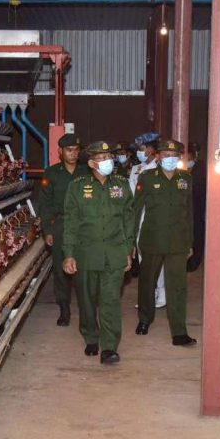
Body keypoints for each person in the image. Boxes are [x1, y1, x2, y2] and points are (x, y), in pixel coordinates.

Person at [62, 141, 135, 364]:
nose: (107, 162)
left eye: (109, 157)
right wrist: (69, 253)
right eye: (102, 158)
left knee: (111, 300)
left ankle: (109, 347)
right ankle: (91, 337)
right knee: (87, 300)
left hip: (114, 253)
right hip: (86, 254)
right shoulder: (77, 187)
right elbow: (70, 222)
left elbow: (128, 220)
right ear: (92, 162)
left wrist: (128, 250)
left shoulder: (122, 185)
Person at [133, 139, 197, 346]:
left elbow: (189, 214)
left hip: (178, 241)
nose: (170, 158)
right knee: (147, 282)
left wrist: (190, 243)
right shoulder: (147, 178)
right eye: (166, 155)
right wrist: (130, 242)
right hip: (152, 239)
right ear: (158, 157)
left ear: (179, 157)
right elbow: (135, 211)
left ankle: (179, 331)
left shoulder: (186, 178)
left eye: (174, 155)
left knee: (177, 287)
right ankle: (144, 319)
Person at [36, 134, 90, 326]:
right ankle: (64, 309)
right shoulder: (51, 173)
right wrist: (47, 230)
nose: (73, 153)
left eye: (76, 150)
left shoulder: (86, 172)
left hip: (84, 226)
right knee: (61, 270)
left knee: (84, 267)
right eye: (69, 150)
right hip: (61, 225)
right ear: (60, 152)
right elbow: (45, 204)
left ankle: (87, 308)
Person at [129, 132, 166, 309]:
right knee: (143, 258)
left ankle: (162, 292)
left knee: (158, 258)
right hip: (138, 218)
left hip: (154, 218)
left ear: (151, 150)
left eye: (142, 149)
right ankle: (148, 294)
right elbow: (131, 197)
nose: (140, 152)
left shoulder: (161, 170)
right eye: (138, 150)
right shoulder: (136, 169)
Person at [186, 143, 206, 272]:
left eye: (188, 159)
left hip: (196, 209)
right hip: (185, 209)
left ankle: (193, 262)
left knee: (196, 235)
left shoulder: (200, 169)